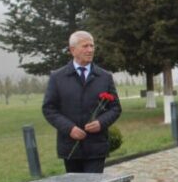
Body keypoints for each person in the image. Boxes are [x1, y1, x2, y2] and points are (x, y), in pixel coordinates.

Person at [42, 31, 122, 173]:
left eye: (92, 46)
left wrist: (101, 123)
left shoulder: (104, 77)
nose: (90, 50)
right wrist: (69, 128)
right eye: (85, 46)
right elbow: (49, 109)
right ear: (73, 50)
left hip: (96, 146)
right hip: (70, 147)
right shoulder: (57, 77)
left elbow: (115, 108)